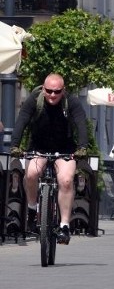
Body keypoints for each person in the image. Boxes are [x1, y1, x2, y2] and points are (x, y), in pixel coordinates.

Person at [10, 74, 88, 244]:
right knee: (31, 174)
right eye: (49, 91)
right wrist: (15, 145)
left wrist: (82, 147)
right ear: (43, 88)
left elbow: (81, 123)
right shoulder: (34, 100)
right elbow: (22, 120)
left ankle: (64, 226)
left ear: (63, 90)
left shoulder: (71, 102)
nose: (53, 95)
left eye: (57, 91)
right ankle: (32, 209)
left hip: (64, 148)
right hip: (39, 146)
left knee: (66, 180)